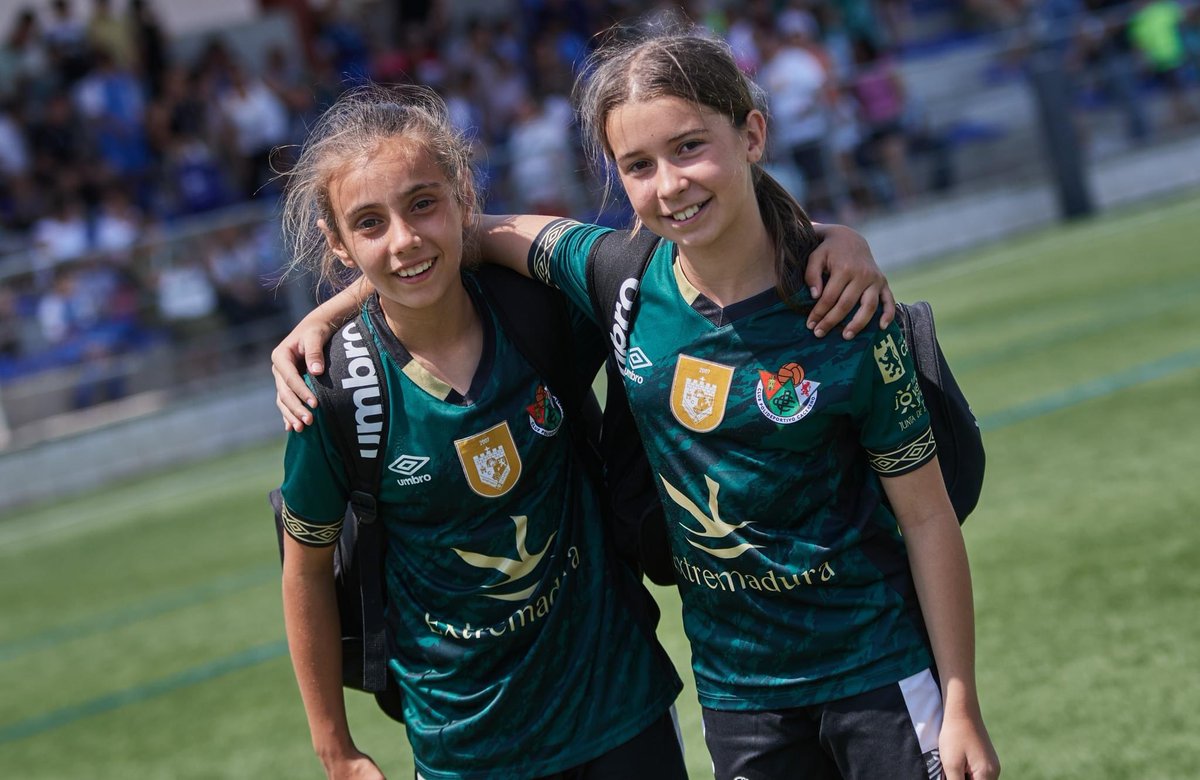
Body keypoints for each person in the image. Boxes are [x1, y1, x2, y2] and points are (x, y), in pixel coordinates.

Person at [275, 24, 1000, 780]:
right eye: (639, 165)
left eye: (690, 148)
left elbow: (925, 514)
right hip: (737, 696)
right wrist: (328, 313)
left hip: (871, 669)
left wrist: (962, 702)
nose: (670, 182)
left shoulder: (840, 307)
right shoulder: (621, 277)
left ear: (752, 133)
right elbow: (444, 240)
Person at [275, 83, 688, 780]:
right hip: (467, 748)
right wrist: (335, 749)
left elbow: (659, 261)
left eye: (423, 204)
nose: (404, 239)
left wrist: (829, 241)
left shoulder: (538, 311)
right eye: (369, 223)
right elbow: (305, 569)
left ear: (462, 193)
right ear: (337, 243)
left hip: (617, 709)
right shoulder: (336, 390)